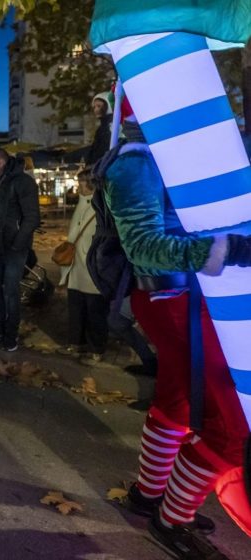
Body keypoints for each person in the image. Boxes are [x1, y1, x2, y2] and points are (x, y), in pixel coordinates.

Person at [104, 108, 250, 558]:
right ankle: (173, 519)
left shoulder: (168, 155)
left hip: (189, 298)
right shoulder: (135, 162)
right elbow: (145, 245)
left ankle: (151, 496)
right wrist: (226, 248)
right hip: (172, 300)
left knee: (177, 399)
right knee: (230, 427)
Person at [0, 148, 40, 351]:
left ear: (1, 163)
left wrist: (18, 242)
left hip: (14, 246)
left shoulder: (22, 182)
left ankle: (11, 336)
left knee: (11, 291)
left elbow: (32, 217)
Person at [56, 169, 108, 365]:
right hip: (76, 264)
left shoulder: (100, 206)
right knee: (76, 305)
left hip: (92, 266)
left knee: (95, 309)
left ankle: (97, 348)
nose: (78, 187)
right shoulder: (82, 203)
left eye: (81, 184)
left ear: (90, 185)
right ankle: (76, 343)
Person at [86, 91, 113, 165]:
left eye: (99, 106)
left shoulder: (112, 127)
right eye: (94, 107)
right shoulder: (102, 127)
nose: (96, 110)